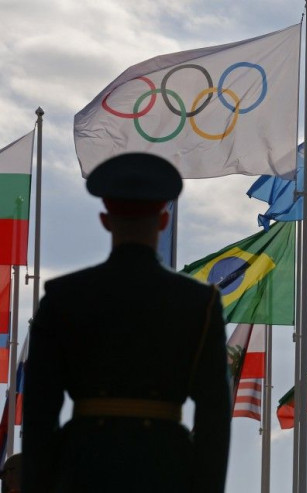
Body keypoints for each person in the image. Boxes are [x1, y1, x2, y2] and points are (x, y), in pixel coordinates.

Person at [22, 153, 231, 493]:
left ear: (106, 220)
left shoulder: (63, 297)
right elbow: (214, 416)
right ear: (163, 220)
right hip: (166, 470)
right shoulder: (199, 303)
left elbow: (39, 414)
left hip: (84, 469)